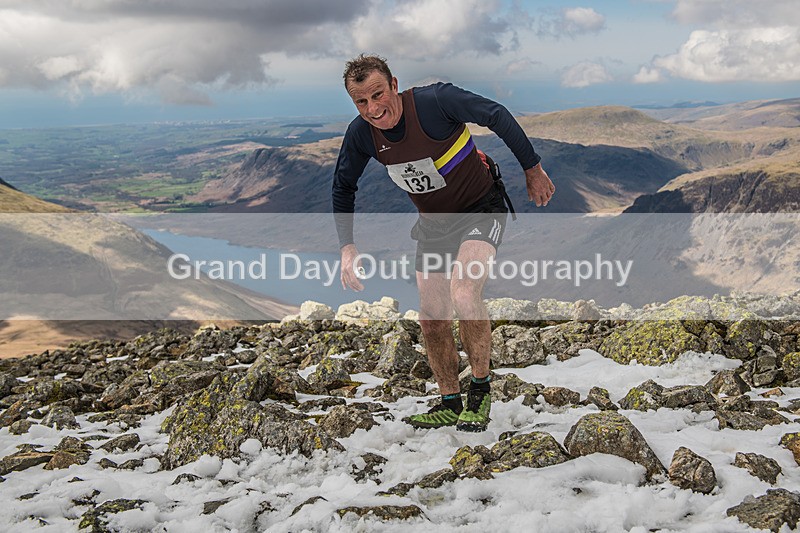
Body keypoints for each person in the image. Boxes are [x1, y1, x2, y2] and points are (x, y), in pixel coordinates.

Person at [332, 54, 554, 432]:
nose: (373, 108)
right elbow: (343, 186)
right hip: (434, 225)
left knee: (464, 292)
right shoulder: (361, 134)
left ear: (394, 85)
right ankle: (449, 401)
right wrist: (347, 247)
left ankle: (480, 393)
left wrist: (532, 168)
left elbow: (496, 114)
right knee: (432, 319)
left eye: (378, 94)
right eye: (361, 102)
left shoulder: (436, 102)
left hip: (481, 209)